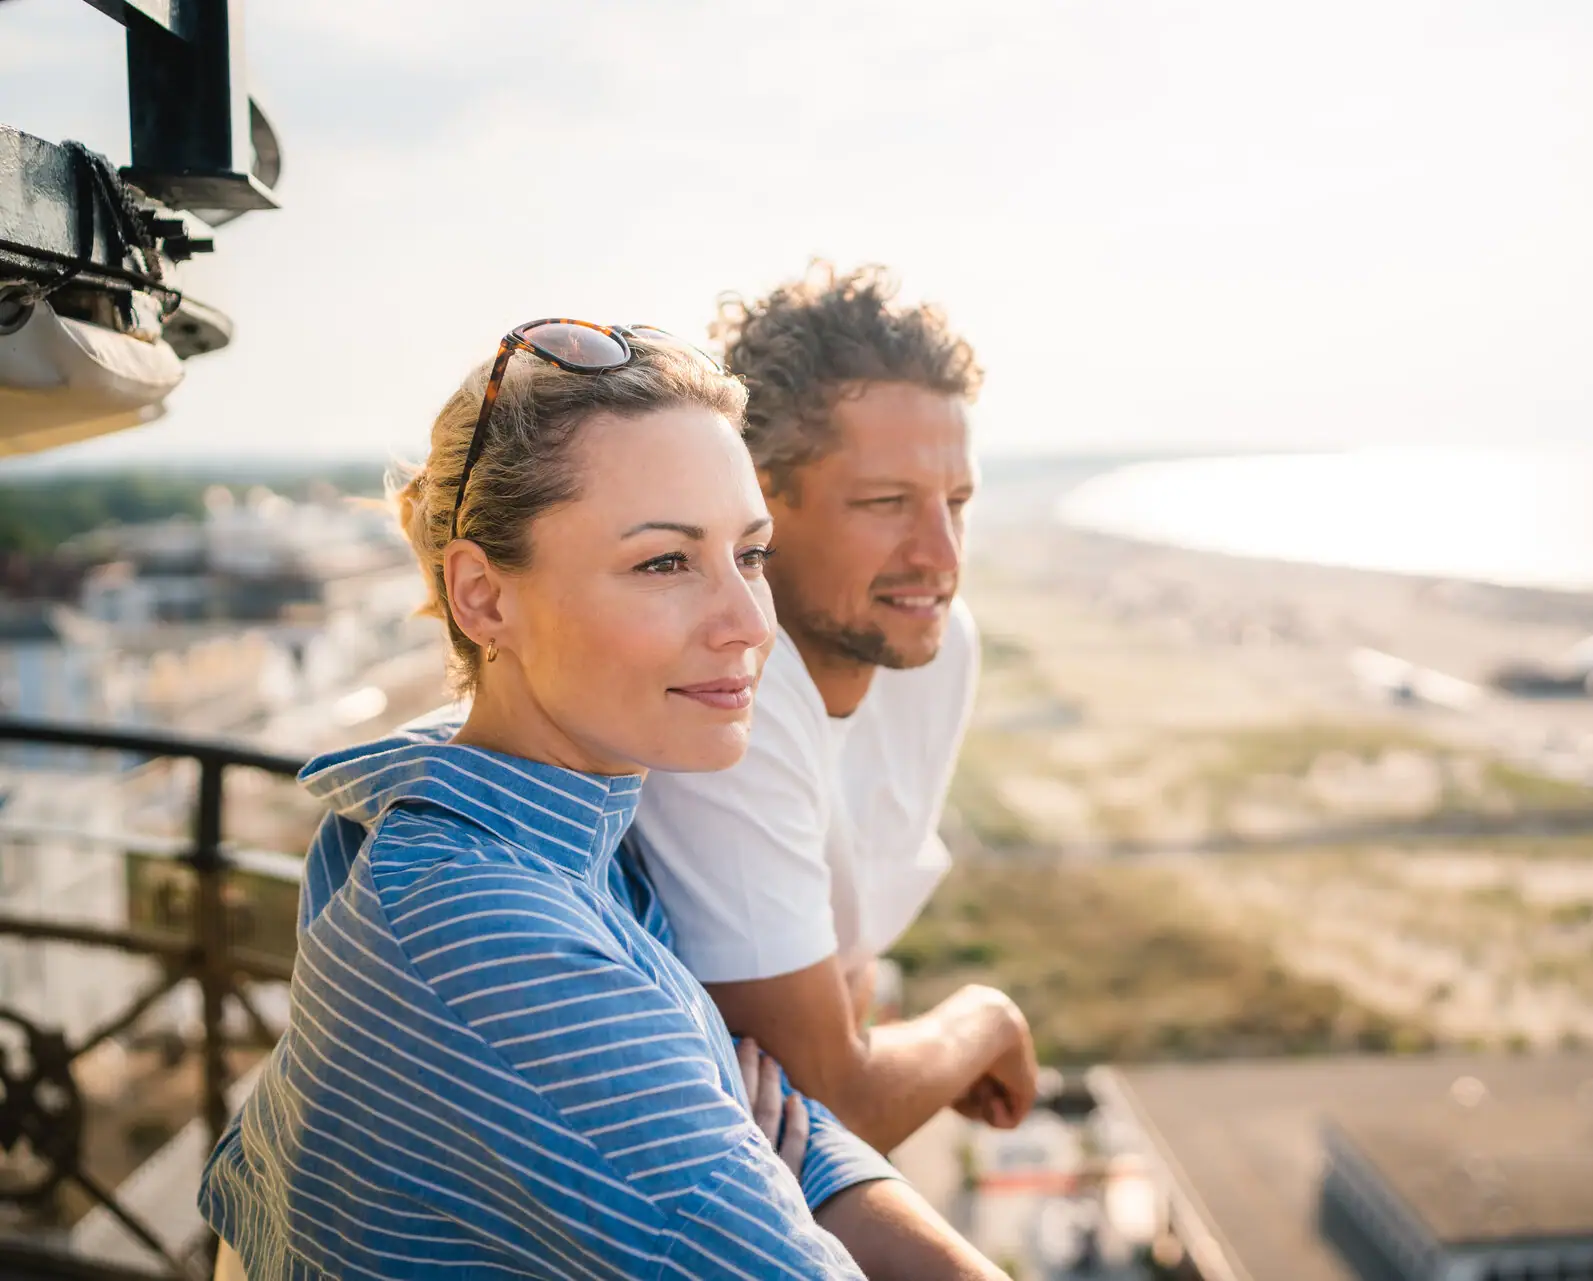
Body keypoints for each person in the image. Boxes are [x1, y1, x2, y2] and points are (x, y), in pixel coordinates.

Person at [200, 320, 1004, 1279]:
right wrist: (750, 1149)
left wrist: (756, 1146)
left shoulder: (522, 821)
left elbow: (783, 1125)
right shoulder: (494, 939)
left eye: (751, 554)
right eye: (664, 562)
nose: (751, 625)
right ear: (484, 598)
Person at [633, 267, 1037, 1155]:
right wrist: (984, 1021)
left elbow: (844, 967)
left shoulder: (937, 643)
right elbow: (830, 1104)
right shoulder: (725, 686)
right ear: (759, 508)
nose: (940, 555)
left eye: (958, 503)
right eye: (887, 503)